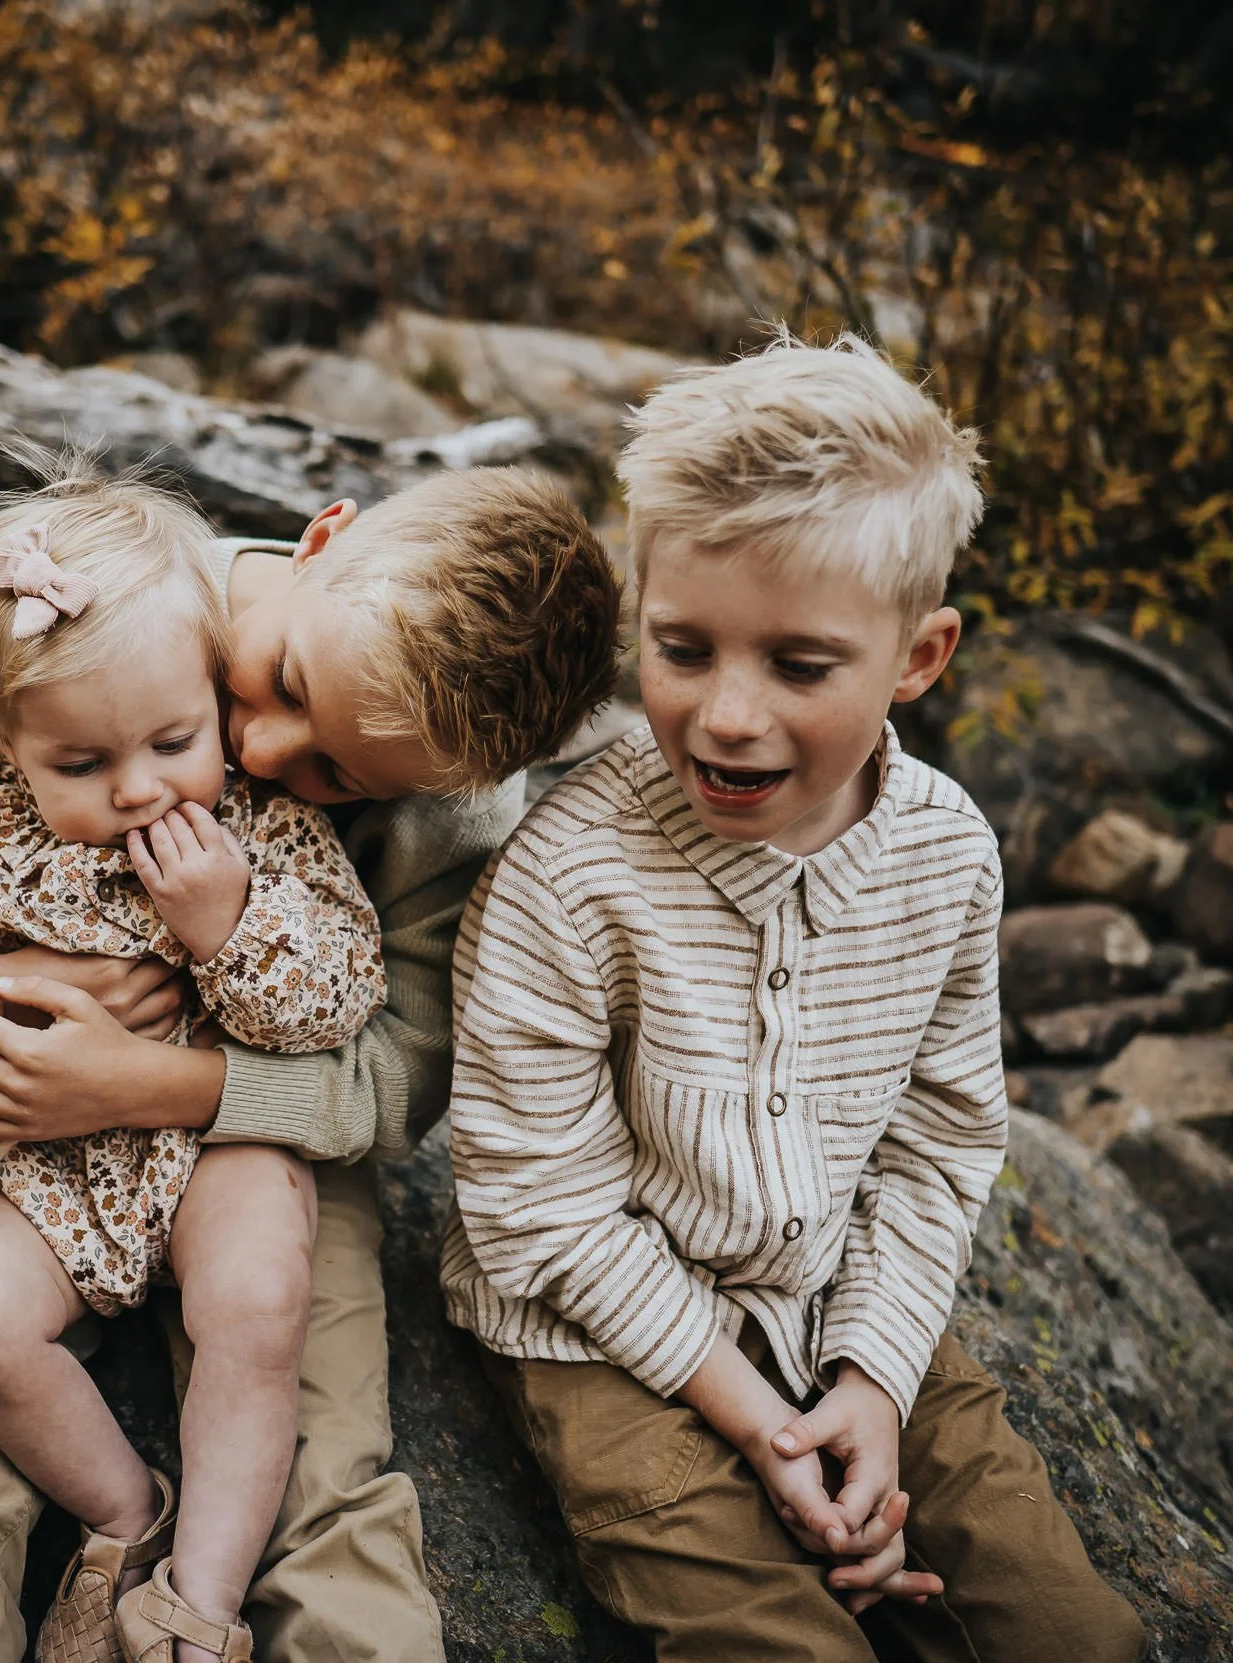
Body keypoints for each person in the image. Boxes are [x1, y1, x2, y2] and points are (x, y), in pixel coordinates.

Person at [0, 459, 625, 1663]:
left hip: (273, 1122)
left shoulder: (457, 819)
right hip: (31, 1101)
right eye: (281, 682)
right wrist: (23, 989)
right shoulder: (91, 600)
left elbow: (393, 1075)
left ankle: (216, 1617)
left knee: (322, 1438)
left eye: (336, 775)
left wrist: (168, 1077)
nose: (259, 741)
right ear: (319, 537)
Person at [441, 333, 1146, 1662]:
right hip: (595, 1326)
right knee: (786, 1644)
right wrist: (760, 1422)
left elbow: (939, 1140)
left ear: (919, 655)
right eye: (683, 648)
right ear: (638, 607)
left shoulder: (943, 853)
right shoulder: (570, 868)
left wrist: (872, 1379)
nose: (726, 715)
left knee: (1075, 1633)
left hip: (829, 1291)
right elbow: (538, 1204)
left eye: (802, 666)